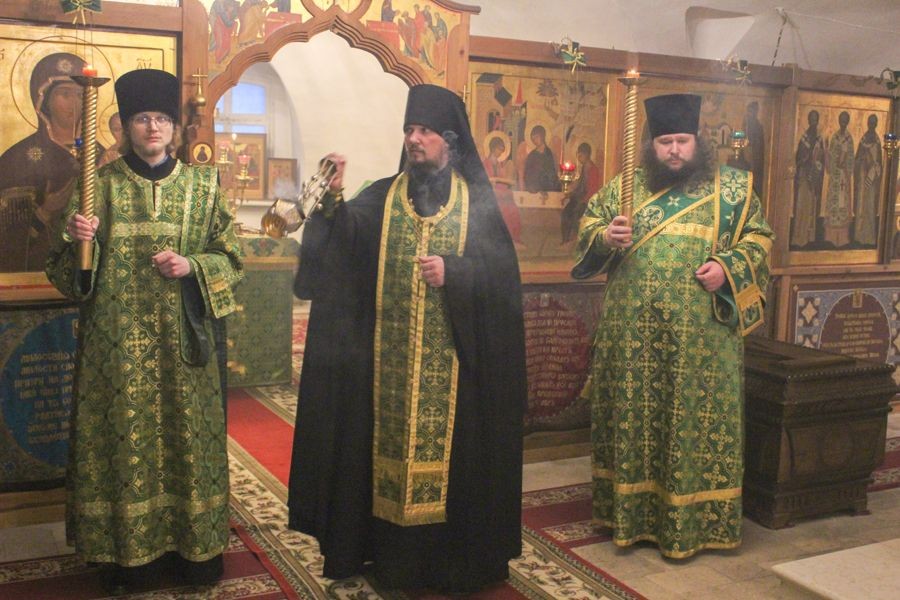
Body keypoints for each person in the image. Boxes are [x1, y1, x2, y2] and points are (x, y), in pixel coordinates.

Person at [287, 84, 527, 593]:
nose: (414, 139)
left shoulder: (477, 203)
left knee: (456, 471)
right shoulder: (384, 195)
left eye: (426, 132)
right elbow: (347, 241)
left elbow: (503, 280)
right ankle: (385, 556)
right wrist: (333, 199)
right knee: (375, 461)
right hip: (384, 373)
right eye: (409, 130)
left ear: (450, 140)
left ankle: (450, 563)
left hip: (457, 375)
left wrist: (456, 273)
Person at [45, 69, 243, 592]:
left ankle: (195, 555)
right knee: (122, 448)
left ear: (174, 128)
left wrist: (192, 266)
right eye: (141, 119)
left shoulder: (203, 186)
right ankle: (128, 560)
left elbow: (232, 259)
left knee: (188, 446)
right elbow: (67, 277)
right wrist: (80, 241)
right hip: (116, 354)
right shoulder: (99, 188)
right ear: (124, 126)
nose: (152, 127)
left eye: (161, 119)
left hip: (184, 350)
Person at [571, 93, 773, 559]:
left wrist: (727, 268)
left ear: (698, 140)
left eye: (682, 140)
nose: (675, 150)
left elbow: (760, 239)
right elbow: (589, 228)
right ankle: (630, 518)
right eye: (665, 142)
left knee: (690, 426)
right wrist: (605, 236)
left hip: (702, 342)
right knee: (636, 423)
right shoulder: (626, 187)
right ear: (652, 144)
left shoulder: (732, 188)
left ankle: (697, 523)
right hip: (632, 338)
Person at [0, 51, 104, 272]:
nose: (75, 103)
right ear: (44, 100)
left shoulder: (102, 155)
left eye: (80, 95)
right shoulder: (16, 159)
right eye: (65, 94)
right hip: (31, 274)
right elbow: (7, 241)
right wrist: (45, 211)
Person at [560, 142, 600, 244]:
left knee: (575, 216)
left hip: (587, 202)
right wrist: (568, 195)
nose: (578, 157)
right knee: (565, 214)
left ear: (586, 154)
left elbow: (592, 190)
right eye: (578, 154)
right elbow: (580, 188)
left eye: (580, 155)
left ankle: (575, 241)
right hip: (579, 199)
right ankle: (566, 240)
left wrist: (582, 202)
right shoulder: (584, 168)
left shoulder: (593, 170)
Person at [523, 125, 561, 192]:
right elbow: (528, 174)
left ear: (542, 136)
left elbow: (552, 172)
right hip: (535, 188)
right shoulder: (532, 155)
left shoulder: (549, 153)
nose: (535, 141)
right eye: (533, 139)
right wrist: (535, 187)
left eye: (536, 137)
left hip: (548, 188)